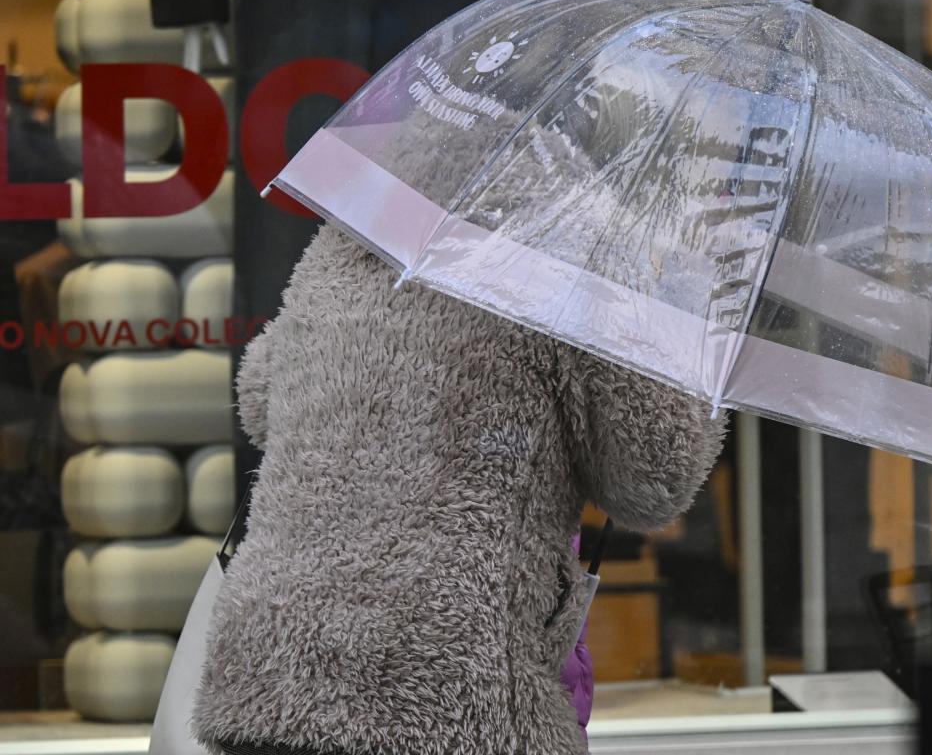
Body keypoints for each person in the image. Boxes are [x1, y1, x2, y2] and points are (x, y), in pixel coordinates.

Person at [192, 224, 726, 755]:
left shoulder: (361, 226)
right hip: (445, 686)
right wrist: (689, 303)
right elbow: (657, 476)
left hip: (267, 668)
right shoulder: (581, 249)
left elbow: (258, 399)